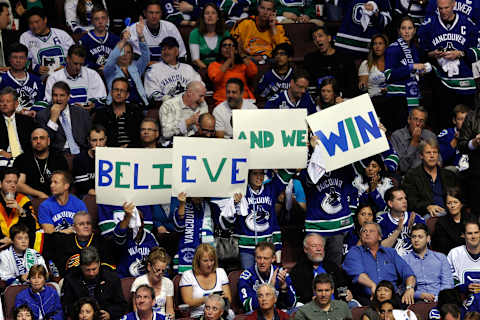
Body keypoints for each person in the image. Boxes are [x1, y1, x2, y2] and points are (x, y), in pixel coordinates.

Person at [418, 0, 480, 130]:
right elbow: (421, 52)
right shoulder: (429, 25)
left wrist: (461, 53)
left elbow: (478, 51)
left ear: (453, 5)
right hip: (442, 82)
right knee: (443, 122)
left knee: (469, 124)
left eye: (446, 8)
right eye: (440, 8)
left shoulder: (467, 23)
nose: (443, 11)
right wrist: (432, 54)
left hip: (465, 82)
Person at [299, 136, 358, 267]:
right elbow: (308, 180)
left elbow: (355, 173)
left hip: (338, 224)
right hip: (317, 225)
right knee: (313, 266)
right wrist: (314, 152)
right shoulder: (306, 158)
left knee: (334, 267)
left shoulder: (341, 163)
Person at [219, 169, 294, 268]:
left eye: (261, 173)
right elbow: (226, 222)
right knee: (249, 277)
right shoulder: (240, 192)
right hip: (246, 247)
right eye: (255, 173)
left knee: (266, 278)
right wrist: (235, 204)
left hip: (266, 246)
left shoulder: (271, 188)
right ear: (248, 175)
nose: (259, 176)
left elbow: (286, 175)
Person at [343, 221, 416, 306]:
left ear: (380, 237)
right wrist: (373, 286)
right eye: (364, 231)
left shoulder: (391, 253)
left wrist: (410, 288)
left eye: (371, 231)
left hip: (392, 299)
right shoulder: (354, 252)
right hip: (367, 299)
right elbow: (358, 275)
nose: (367, 233)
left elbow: (408, 273)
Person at [384, 16, 431, 132]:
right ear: (399, 30)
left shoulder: (415, 49)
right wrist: (411, 67)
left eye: (410, 28)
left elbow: (413, 74)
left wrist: (422, 71)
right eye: (403, 28)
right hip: (397, 98)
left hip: (412, 96)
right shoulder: (392, 48)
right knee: (399, 134)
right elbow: (388, 75)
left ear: (414, 30)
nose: (406, 31)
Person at [43, 211, 116, 277]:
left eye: (88, 223)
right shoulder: (64, 241)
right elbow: (46, 239)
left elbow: (108, 268)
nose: (86, 226)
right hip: (70, 282)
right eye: (81, 224)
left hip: (96, 280)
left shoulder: (101, 242)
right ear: (74, 227)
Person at [62, 246, 127, 319]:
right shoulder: (70, 279)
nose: (91, 273)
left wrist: (110, 313)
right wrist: (80, 313)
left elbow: (122, 305)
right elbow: (66, 306)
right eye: (87, 270)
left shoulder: (112, 278)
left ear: (99, 263)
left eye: (94, 269)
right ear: (81, 266)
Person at [402, 139, 458, 218]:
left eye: (435, 152)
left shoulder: (449, 175)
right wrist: (427, 207)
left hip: (449, 212)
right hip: (426, 214)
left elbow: (458, 197)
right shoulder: (412, 176)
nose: (432, 156)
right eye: (428, 152)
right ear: (421, 155)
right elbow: (411, 201)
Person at [291, 233, 351, 305]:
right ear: (306, 249)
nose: (319, 249)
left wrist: (346, 294)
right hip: (312, 308)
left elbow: (342, 287)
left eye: (321, 246)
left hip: (336, 306)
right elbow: (302, 296)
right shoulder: (298, 271)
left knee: (353, 305)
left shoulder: (332, 267)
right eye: (314, 246)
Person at [103, 18, 150, 108]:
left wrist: (140, 36)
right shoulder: (110, 70)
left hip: (138, 106)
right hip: (116, 107)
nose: (125, 55)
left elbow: (146, 58)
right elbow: (111, 60)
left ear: (132, 55)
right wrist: (123, 40)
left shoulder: (135, 67)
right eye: (122, 52)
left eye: (128, 52)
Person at [44, 45, 107, 111]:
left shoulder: (92, 75)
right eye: (75, 64)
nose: (78, 68)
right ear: (67, 59)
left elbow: (103, 98)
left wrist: (93, 105)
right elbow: (49, 102)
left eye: (81, 64)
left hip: (88, 115)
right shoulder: (54, 78)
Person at [36, 81, 92, 155]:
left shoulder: (81, 113)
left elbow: (89, 135)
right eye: (55, 95)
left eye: (62, 95)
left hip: (81, 153)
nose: (58, 99)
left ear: (68, 97)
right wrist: (53, 120)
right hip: (57, 155)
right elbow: (43, 143)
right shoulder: (42, 115)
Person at [238, 242, 296, 313]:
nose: (262, 262)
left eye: (266, 258)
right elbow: (247, 306)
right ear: (255, 258)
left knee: (297, 310)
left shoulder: (281, 274)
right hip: (258, 314)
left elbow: (292, 304)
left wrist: (284, 288)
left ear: (273, 258)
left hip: (278, 313)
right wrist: (270, 287)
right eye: (259, 258)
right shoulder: (246, 277)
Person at [402, 224, 453, 302]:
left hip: (440, 301)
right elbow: (402, 288)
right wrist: (419, 295)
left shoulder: (441, 258)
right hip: (415, 301)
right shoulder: (404, 260)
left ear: (428, 238)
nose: (416, 240)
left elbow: (448, 284)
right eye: (413, 237)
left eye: (420, 237)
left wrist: (438, 298)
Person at [13, 127, 69, 199]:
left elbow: (64, 183)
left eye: (42, 138)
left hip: (55, 196)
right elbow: (18, 185)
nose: (38, 141)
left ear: (48, 141)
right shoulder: (22, 159)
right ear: (31, 142)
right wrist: (40, 194)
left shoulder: (59, 159)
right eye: (35, 138)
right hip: (30, 197)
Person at [304, 26, 357, 99]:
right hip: (320, 100)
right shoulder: (310, 59)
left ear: (329, 38)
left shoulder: (345, 58)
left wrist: (340, 96)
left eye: (320, 36)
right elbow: (310, 84)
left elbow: (352, 84)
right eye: (314, 38)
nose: (317, 40)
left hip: (342, 99)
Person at [180, 244, 232, 318]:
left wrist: (222, 299)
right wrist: (208, 299)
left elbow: (229, 299)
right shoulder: (188, 275)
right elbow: (188, 302)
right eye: (205, 261)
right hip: (198, 315)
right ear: (198, 261)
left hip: (219, 315)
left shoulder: (221, 272)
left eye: (212, 260)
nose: (209, 264)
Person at [19, 7, 74, 77]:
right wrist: (35, 68)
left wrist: (66, 67)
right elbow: (21, 60)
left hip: (64, 75)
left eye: (37, 22)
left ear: (45, 20)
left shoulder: (62, 35)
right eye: (31, 23)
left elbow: (75, 55)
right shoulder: (25, 37)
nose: (34, 26)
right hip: (39, 78)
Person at [144, 36, 201, 103]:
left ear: (177, 51)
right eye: (163, 49)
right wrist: (170, 99)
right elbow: (152, 93)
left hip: (189, 104)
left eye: (169, 49)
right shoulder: (153, 70)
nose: (166, 52)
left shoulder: (188, 68)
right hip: (167, 107)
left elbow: (200, 87)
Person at [171, 193, 217, 273]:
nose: (198, 196)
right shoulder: (181, 207)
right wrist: (182, 204)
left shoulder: (212, 207)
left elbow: (224, 225)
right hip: (187, 251)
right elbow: (179, 227)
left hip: (207, 252)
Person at [113, 201, 159, 278]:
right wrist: (127, 216)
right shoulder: (125, 236)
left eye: (137, 221)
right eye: (132, 221)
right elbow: (118, 235)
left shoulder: (150, 237)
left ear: (143, 223)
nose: (135, 226)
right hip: (126, 279)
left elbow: (158, 259)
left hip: (147, 281)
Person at [93, 77, 144, 147]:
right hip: (110, 153)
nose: (119, 93)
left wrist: (129, 147)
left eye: (122, 90)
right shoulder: (101, 113)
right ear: (111, 92)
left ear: (127, 95)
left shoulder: (136, 112)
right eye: (116, 90)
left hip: (133, 151)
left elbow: (141, 137)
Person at [208, 36, 257, 106]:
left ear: (236, 50)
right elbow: (216, 78)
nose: (227, 47)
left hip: (244, 101)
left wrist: (241, 54)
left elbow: (253, 72)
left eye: (231, 45)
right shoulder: (214, 65)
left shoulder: (242, 65)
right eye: (224, 45)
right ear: (220, 50)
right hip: (223, 101)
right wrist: (230, 59)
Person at [376, 186, 425, 256]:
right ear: (390, 203)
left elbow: (425, 246)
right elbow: (380, 249)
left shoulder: (416, 218)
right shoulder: (381, 221)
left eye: (405, 198)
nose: (404, 201)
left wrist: (413, 232)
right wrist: (398, 230)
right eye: (400, 199)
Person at [0, 43, 46, 115]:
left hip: (33, 118)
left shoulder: (36, 80)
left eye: (21, 58)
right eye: (15, 57)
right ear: (9, 59)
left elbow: (43, 100)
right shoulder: (2, 80)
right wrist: (18, 111)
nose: (18, 61)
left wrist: (34, 111)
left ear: (26, 60)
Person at [391, 107, 438, 175]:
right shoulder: (397, 136)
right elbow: (403, 167)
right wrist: (414, 142)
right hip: (409, 176)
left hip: (429, 174)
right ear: (409, 120)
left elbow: (439, 161)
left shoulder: (430, 136)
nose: (418, 124)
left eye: (421, 121)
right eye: (415, 119)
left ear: (424, 124)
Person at [0, 168, 38, 248]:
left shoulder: (24, 200)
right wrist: (3, 239)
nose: (13, 185)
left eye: (15, 182)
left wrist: (20, 209)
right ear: (0, 184)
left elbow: (32, 226)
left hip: (19, 244)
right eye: (8, 182)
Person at [131, 247, 174, 317]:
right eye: (157, 270)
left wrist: (171, 316)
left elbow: (170, 310)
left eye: (163, 271)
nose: (160, 273)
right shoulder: (138, 282)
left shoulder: (168, 283)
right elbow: (136, 312)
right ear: (149, 267)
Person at [0, 87, 37, 165]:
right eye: (1, 101)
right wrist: (1, 152)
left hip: (25, 157)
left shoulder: (27, 121)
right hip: (3, 157)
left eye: (8, 101)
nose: (4, 104)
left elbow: (35, 142)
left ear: (16, 104)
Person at [189, 3, 230, 70]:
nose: (210, 16)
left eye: (213, 13)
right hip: (202, 69)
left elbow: (230, 56)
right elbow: (196, 60)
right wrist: (210, 71)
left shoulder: (224, 33)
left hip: (223, 69)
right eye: (207, 13)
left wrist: (220, 71)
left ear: (218, 17)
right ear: (203, 17)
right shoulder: (195, 33)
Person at [79, 6, 120, 72]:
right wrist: (97, 67)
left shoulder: (116, 39)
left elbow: (120, 60)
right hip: (92, 74)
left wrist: (108, 67)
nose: (100, 21)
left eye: (103, 18)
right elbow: (81, 61)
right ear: (92, 21)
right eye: (96, 19)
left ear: (107, 20)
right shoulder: (84, 40)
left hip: (112, 73)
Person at [432, 187, 469, 255]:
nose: (452, 206)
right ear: (446, 205)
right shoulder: (441, 223)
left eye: (455, 202)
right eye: (449, 203)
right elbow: (444, 247)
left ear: (461, 204)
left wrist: (454, 239)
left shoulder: (470, 219)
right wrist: (464, 239)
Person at [447, 219, 480, 295]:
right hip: (461, 300)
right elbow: (448, 280)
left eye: (476, 233)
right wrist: (464, 287)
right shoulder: (454, 254)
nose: (473, 236)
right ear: (463, 235)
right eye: (469, 233)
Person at [72, 125, 107, 197]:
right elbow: (86, 188)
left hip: (107, 195)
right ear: (89, 140)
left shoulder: (113, 156)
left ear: (106, 139)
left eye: (101, 140)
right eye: (94, 140)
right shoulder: (79, 159)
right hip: (87, 196)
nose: (98, 144)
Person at [438, 104, 470, 169]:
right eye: (460, 119)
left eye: (466, 119)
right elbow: (440, 159)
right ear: (454, 120)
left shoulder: (475, 134)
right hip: (452, 172)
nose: (464, 123)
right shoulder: (446, 134)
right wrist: (455, 140)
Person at [358, 34, 388, 100]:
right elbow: (363, 86)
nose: (377, 46)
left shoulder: (392, 63)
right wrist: (362, 85)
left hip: (391, 99)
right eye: (375, 44)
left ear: (385, 46)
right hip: (374, 99)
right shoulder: (366, 64)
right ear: (372, 47)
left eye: (380, 43)